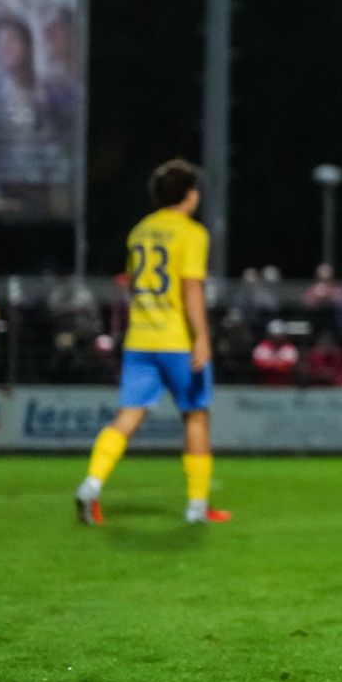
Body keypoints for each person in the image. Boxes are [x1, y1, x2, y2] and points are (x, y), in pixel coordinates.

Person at [74, 160, 230, 526]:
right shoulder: (192, 233)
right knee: (196, 415)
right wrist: (202, 338)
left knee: (128, 416)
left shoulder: (140, 232)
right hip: (175, 339)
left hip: (140, 339)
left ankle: (91, 486)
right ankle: (196, 507)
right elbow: (191, 289)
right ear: (190, 195)